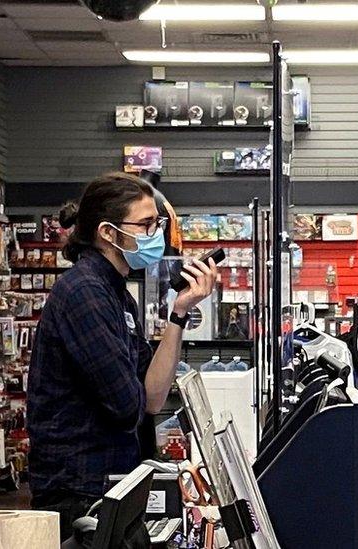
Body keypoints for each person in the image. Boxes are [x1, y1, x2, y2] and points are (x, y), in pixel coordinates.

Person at [27, 173, 218, 540]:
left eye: (157, 223)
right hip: (80, 494)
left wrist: (179, 313)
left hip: (110, 486)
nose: (156, 234)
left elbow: (153, 398)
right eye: (146, 224)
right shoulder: (84, 294)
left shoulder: (117, 293)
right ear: (108, 233)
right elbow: (128, 406)